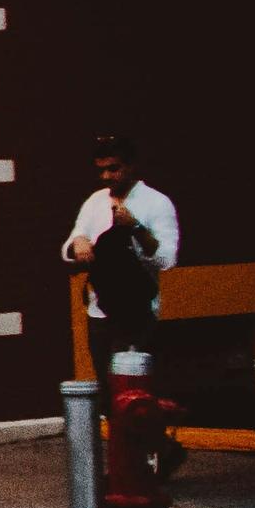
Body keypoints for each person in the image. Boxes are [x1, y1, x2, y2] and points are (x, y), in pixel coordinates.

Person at [65, 138, 180, 369]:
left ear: (131, 166)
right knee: (104, 383)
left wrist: (136, 227)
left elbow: (167, 260)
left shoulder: (156, 203)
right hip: (99, 311)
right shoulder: (95, 202)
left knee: (131, 385)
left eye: (113, 168)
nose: (106, 176)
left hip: (137, 312)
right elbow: (70, 248)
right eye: (101, 170)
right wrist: (78, 242)